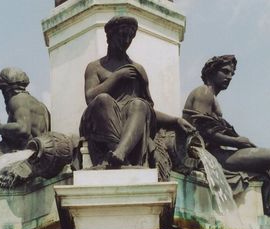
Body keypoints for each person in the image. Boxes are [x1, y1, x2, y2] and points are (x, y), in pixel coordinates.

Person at [183, 55, 270, 218]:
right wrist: (237, 142)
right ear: (211, 72)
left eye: (232, 74)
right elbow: (203, 131)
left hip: (220, 153)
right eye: (225, 71)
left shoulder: (212, 98)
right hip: (212, 156)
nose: (229, 77)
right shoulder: (203, 92)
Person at [80, 16, 193, 168]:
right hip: (100, 122)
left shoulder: (137, 70)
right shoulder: (95, 67)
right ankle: (117, 153)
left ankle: (120, 153)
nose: (126, 41)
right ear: (110, 36)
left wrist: (175, 120)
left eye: (130, 37)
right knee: (103, 100)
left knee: (140, 104)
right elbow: (90, 98)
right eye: (122, 35)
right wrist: (117, 77)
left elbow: (147, 112)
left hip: (130, 124)